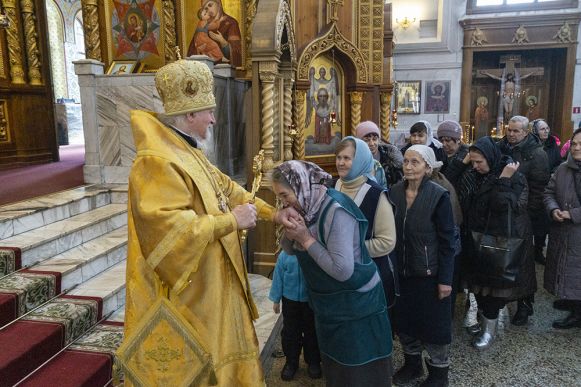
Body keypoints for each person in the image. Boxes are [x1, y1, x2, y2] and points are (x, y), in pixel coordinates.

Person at [122, 58, 297, 386]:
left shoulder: (187, 151)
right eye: (208, 112)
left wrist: (272, 213)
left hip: (211, 280)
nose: (214, 119)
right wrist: (230, 222)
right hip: (187, 290)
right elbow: (169, 229)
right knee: (197, 366)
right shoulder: (156, 162)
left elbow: (229, 190)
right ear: (189, 116)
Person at [272, 160, 393, 387]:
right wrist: (289, 229)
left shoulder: (335, 210)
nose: (283, 202)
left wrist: (306, 239)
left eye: (285, 195)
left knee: (359, 372)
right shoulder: (307, 209)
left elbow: (342, 270)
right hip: (330, 304)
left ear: (302, 187)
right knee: (337, 369)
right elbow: (289, 250)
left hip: (356, 305)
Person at [448, 137, 532, 349]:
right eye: (473, 161)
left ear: (491, 157)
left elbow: (504, 206)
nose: (475, 166)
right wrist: (464, 160)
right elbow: (448, 181)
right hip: (473, 240)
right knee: (478, 288)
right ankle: (484, 323)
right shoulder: (471, 174)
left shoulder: (513, 175)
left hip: (497, 241)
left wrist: (503, 180)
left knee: (493, 292)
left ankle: (489, 331)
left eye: (479, 162)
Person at [390, 145, 455, 387]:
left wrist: (446, 280)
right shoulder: (394, 193)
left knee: (434, 327)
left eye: (415, 162)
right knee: (405, 321)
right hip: (402, 271)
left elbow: (449, 241)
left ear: (428, 167)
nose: (408, 166)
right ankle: (412, 364)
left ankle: (439, 374)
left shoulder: (438, 195)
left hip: (431, 274)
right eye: (406, 161)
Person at [334, 136, 398, 312]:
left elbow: (387, 242)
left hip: (371, 274)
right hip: (344, 273)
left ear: (360, 160)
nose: (341, 162)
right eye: (338, 157)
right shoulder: (337, 185)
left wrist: (350, 251)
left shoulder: (377, 195)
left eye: (347, 158)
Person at [497, 115, 548, 323]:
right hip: (502, 212)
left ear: (526, 132)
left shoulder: (536, 154)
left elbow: (539, 188)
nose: (511, 134)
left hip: (521, 214)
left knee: (523, 263)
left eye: (516, 131)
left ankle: (525, 305)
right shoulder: (501, 147)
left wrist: (527, 212)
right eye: (509, 130)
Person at [543, 128, 581, 329]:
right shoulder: (563, 169)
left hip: (577, 230)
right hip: (562, 231)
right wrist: (553, 209)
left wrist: (572, 214)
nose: (576, 147)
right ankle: (571, 299)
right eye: (574, 143)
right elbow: (548, 192)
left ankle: (578, 313)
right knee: (566, 267)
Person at [269, 250, 321, 381]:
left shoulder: (314, 252)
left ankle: (313, 361)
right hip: (290, 300)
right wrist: (276, 299)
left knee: (312, 332)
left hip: (310, 301)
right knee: (290, 333)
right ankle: (291, 362)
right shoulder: (284, 255)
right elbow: (278, 277)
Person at [187, 0, 242, 66]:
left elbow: (237, 52)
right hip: (204, 69)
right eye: (205, 8)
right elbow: (192, 52)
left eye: (210, 5)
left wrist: (222, 41)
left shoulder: (231, 23)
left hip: (223, 70)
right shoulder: (203, 23)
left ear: (218, 4)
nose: (208, 10)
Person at [356, 121, 403, 188]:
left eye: (374, 139)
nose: (372, 143)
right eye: (367, 140)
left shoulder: (390, 157)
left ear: (379, 140)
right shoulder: (354, 159)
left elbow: (399, 183)